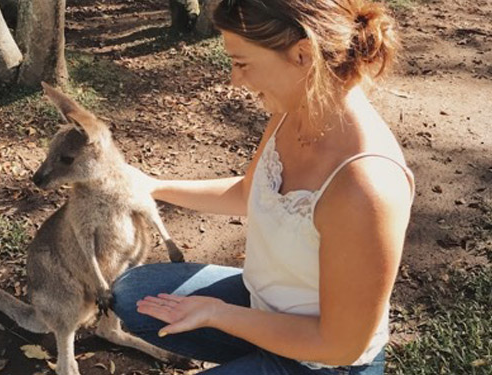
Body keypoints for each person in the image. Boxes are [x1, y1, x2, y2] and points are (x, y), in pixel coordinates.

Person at [112, 0, 415, 374]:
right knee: (130, 293)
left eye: (242, 63)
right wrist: (154, 187)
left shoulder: (366, 187)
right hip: (260, 304)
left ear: (303, 55)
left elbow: (340, 345)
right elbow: (247, 193)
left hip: (325, 362)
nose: (234, 80)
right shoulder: (292, 110)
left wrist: (218, 314)